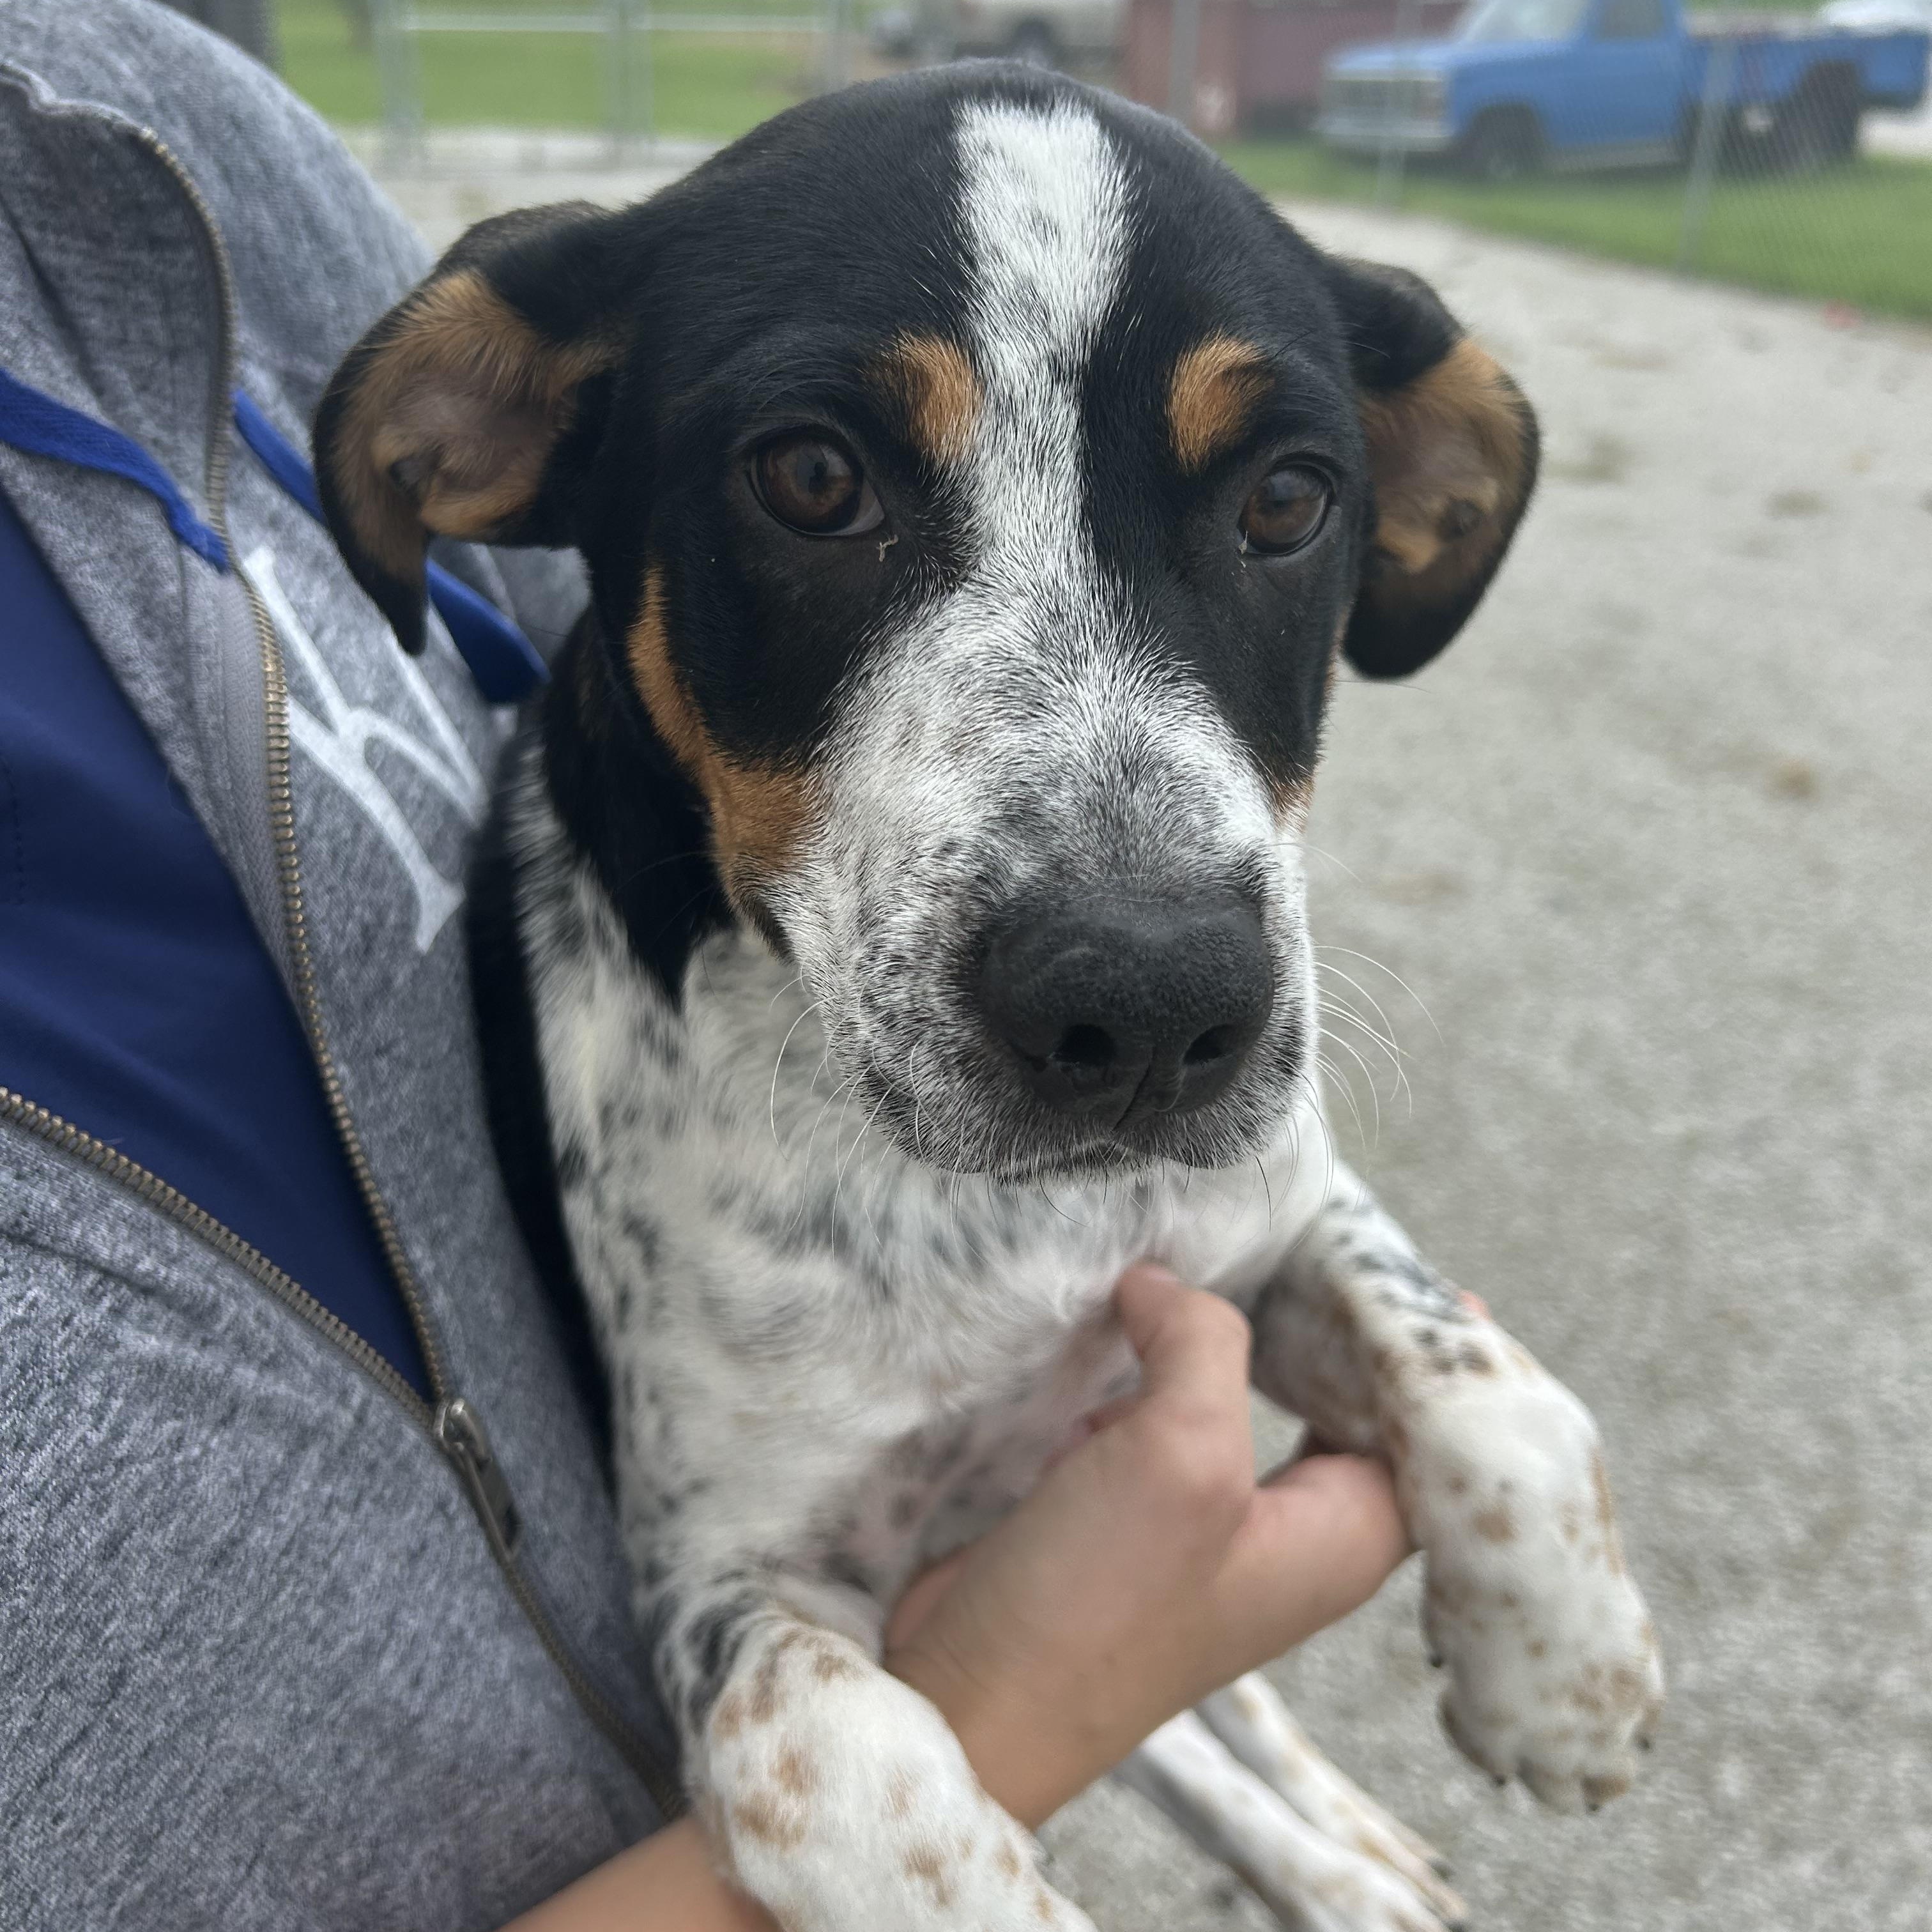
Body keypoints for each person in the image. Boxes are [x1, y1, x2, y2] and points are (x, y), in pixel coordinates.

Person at [0, 3, 1409, 1926]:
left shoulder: (125, 118)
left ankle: (1284, 1803)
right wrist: (1024, 1707)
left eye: (1280, 503)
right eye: (821, 483)